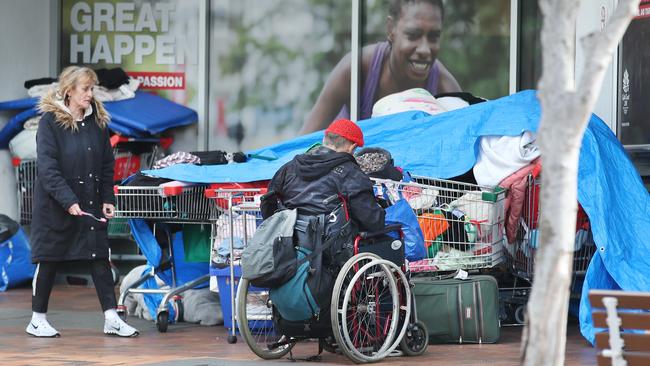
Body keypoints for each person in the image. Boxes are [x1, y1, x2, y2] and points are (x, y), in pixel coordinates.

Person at [26, 66, 138, 338]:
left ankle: (111, 317)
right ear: (69, 91)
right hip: (56, 205)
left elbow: (106, 165)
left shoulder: (98, 122)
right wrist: (68, 201)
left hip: (88, 203)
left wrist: (107, 199)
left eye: (92, 89)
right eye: (85, 89)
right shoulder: (50, 123)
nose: (91, 94)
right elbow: (48, 170)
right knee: (48, 259)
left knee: (99, 256)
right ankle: (37, 319)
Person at [300, 0, 461, 134]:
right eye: (413, 35)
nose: (425, 49)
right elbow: (301, 144)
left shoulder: (445, 88)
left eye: (433, 37)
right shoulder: (356, 69)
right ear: (391, 30)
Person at [262, 118, 385, 233]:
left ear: (324, 140)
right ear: (352, 147)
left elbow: (268, 203)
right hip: (335, 248)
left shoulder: (289, 167)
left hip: (289, 240)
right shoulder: (351, 173)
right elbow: (372, 221)